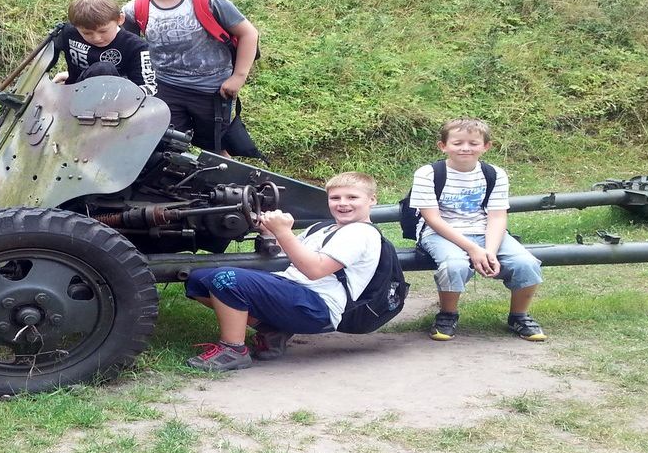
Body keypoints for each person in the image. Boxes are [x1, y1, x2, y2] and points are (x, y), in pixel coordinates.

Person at [182, 172, 384, 371]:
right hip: (293, 290)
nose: (343, 203)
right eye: (335, 198)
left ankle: (233, 350)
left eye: (352, 197)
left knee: (226, 279)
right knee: (198, 279)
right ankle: (272, 331)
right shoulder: (323, 228)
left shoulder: (361, 233)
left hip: (317, 306)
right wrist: (270, 230)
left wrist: (283, 231)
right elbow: (290, 253)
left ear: (372, 199)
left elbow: (315, 270)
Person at [410, 117, 546, 342]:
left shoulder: (495, 173)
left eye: (473, 143)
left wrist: (489, 251)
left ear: (486, 146)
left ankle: (519, 316)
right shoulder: (428, 173)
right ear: (443, 146)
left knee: (526, 263)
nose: (465, 148)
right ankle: (448, 315)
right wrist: (473, 249)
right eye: (457, 143)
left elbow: (497, 216)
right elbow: (432, 218)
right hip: (440, 232)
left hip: (484, 230)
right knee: (454, 264)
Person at [121, 0, 261, 155]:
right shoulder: (135, 9)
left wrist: (238, 77)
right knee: (168, 146)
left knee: (215, 148)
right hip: (165, 87)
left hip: (212, 89)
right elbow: (128, 48)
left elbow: (248, 33)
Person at [50, 0, 156, 94]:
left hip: (117, 98)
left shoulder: (136, 47)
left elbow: (148, 89)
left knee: (103, 69)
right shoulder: (69, 32)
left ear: (120, 19)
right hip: (73, 93)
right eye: (87, 33)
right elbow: (46, 58)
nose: (96, 38)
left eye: (103, 31)